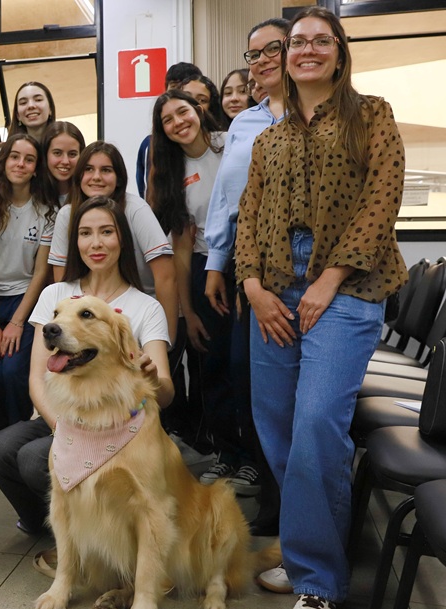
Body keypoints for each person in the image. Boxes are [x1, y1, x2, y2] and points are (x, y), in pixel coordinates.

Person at [236, 7, 407, 609]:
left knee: (315, 425)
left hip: (352, 285)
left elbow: (380, 203)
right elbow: (248, 217)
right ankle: (309, 542)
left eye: (319, 41)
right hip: (274, 287)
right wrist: (251, 286)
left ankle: (317, 579)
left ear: (339, 51)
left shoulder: (373, 115)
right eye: (296, 43)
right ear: (283, 57)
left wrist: (329, 280)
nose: (306, 50)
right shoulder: (267, 139)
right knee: (276, 425)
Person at [0, 195, 173, 535]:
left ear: (122, 240)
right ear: (75, 242)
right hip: (63, 415)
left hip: (117, 426)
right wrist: (63, 431)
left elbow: (166, 393)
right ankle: (57, 533)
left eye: (106, 232)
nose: (95, 243)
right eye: (85, 233)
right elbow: (39, 379)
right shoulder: (55, 294)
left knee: (32, 458)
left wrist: (153, 375)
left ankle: (100, 536)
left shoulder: (145, 307)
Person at [204, 17, 290, 535]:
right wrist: (218, 263)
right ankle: (274, 497)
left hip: (302, 268)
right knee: (248, 377)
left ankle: (294, 505)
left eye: (270, 50)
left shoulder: (320, 117)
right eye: (252, 53)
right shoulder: (245, 122)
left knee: (292, 393)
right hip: (245, 265)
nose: (259, 61)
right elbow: (225, 200)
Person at [146, 89, 228, 475]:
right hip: (200, 267)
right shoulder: (171, 171)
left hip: (244, 265)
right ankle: (226, 454)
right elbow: (179, 249)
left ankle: (255, 459)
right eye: (168, 120)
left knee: (243, 366)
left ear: (199, 110)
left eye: (183, 112)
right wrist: (187, 311)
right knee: (211, 367)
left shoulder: (230, 144)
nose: (179, 122)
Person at [49, 142, 178, 344]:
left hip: (141, 313)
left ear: (119, 179)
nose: (97, 177)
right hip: (90, 317)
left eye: (106, 170)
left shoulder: (135, 209)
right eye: (89, 169)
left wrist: (167, 339)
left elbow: (166, 276)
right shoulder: (67, 214)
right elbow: (62, 282)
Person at [0, 134, 55, 436]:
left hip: (25, 300)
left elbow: (41, 271)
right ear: (3, 162)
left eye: (29, 159)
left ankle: (14, 435)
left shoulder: (46, 208)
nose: (20, 164)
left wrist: (18, 322)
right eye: (14, 157)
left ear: (36, 168)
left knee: (15, 373)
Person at [135, 61, 202, 198]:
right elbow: (149, 195)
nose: (179, 94)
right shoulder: (151, 145)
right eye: (175, 88)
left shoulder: (222, 140)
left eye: (186, 90)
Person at [0, 81, 56, 185]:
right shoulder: (1, 153)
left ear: (50, 110)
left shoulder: (61, 154)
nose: (31, 106)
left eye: (38, 100)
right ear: (17, 115)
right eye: (23, 102)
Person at [39, 121, 84, 207]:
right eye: (57, 153)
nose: (65, 161)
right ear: (45, 155)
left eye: (72, 154)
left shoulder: (87, 195)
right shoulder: (33, 196)